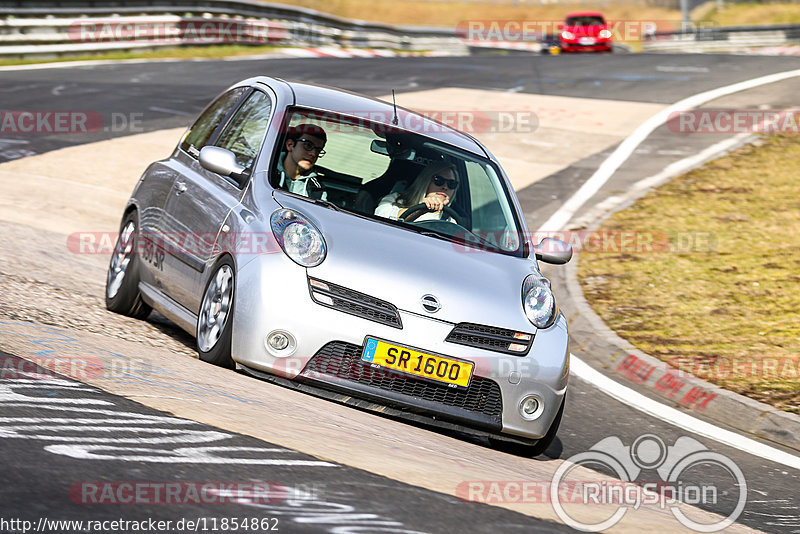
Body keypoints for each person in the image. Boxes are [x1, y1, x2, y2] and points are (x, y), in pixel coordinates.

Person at [374, 161, 459, 222]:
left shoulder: (450, 222)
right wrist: (420, 209)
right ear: (425, 181)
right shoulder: (395, 199)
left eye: (452, 184)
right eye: (439, 180)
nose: (445, 187)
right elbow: (380, 217)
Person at [277, 124, 327, 200]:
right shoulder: (265, 172)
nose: (313, 154)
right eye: (308, 145)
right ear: (290, 145)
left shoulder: (317, 190)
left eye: (318, 150)